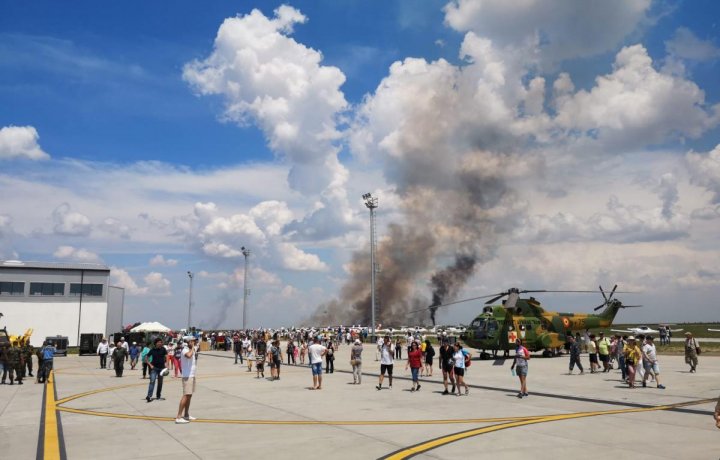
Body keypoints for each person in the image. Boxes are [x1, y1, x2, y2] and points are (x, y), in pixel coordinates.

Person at [175, 336, 198, 424]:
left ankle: (186, 414)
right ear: (188, 342)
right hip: (187, 376)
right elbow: (188, 356)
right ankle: (178, 416)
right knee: (185, 395)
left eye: (194, 341)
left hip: (191, 375)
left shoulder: (191, 349)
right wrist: (192, 349)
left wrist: (193, 349)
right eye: (192, 341)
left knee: (189, 396)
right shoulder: (185, 349)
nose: (194, 342)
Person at [145, 338, 168, 402]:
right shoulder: (152, 350)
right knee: (152, 381)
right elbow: (146, 358)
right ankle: (149, 396)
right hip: (154, 368)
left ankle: (158, 396)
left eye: (161, 342)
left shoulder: (163, 349)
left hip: (161, 369)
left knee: (160, 383)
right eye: (159, 342)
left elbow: (166, 356)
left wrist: (167, 364)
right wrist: (150, 365)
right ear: (156, 343)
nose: (160, 343)